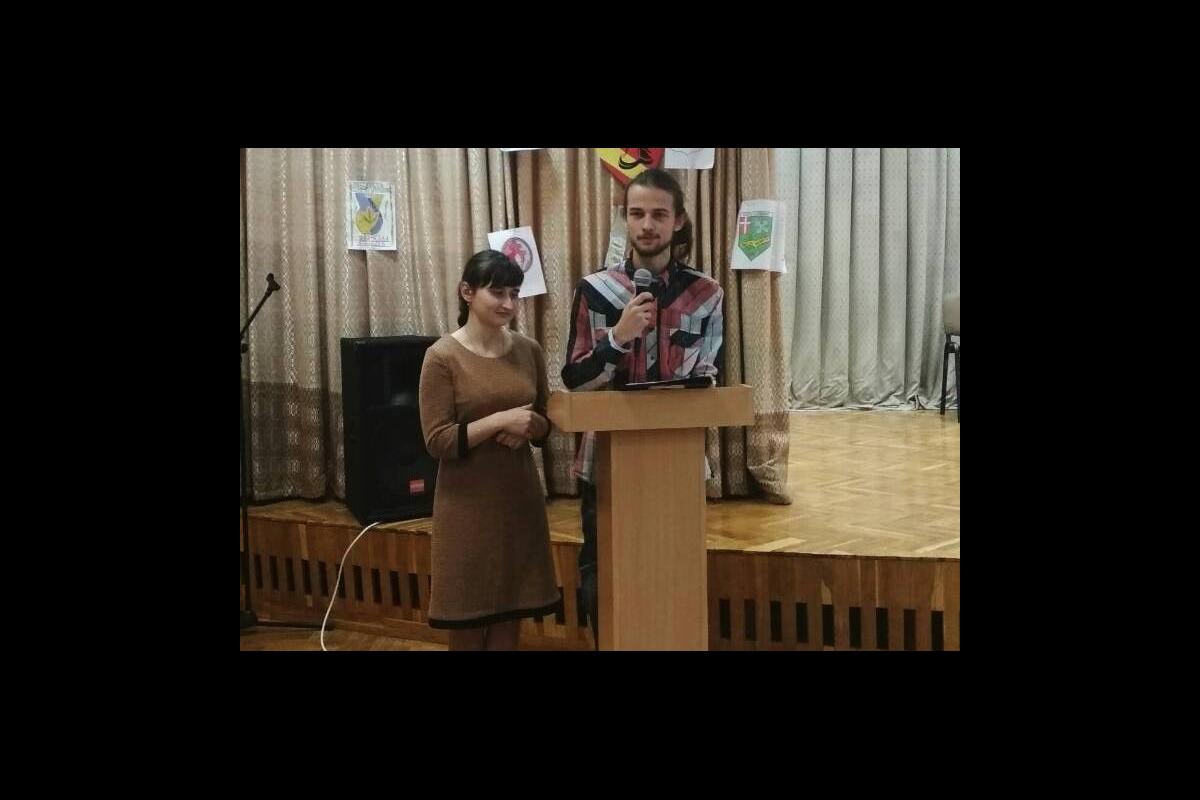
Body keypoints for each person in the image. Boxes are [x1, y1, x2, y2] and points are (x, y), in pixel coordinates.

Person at [560, 168, 724, 648]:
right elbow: (574, 379)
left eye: (658, 214)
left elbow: (709, 378)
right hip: (606, 462)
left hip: (677, 461)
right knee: (604, 571)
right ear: (624, 218)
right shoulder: (595, 290)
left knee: (674, 570)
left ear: (679, 221)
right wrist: (617, 338)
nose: (647, 225)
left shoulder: (706, 294)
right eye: (636, 214)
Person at [419, 249, 561, 650]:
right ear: (467, 292)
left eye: (514, 294)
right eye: (497, 293)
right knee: (466, 622)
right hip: (466, 507)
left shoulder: (528, 349)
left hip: (518, 501)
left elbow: (545, 420)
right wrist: (500, 421)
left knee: (509, 618)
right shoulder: (442, 357)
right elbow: (438, 440)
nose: (508, 304)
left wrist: (530, 425)